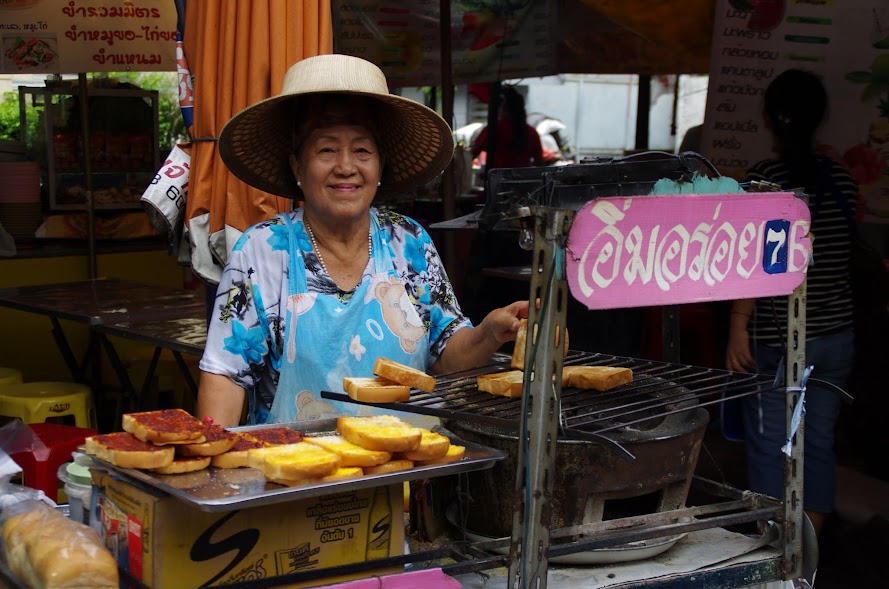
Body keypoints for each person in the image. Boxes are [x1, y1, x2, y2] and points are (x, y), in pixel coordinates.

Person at [197, 54, 528, 426]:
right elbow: (225, 374)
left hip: (407, 470)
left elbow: (445, 353)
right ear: (296, 165)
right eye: (326, 149)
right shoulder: (261, 252)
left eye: (361, 150)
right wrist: (214, 468)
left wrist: (489, 332)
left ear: (380, 165)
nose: (346, 166)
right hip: (298, 474)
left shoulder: (409, 241)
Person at [724, 69, 857, 537]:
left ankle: (774, 557)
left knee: (768, 444)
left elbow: (756, 262)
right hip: (836, 338)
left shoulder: (765, 180)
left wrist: (738, 324)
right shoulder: (842, 180)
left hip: (781, 340)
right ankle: (807, 560)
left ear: (772, 118)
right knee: (815, 443)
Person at [470, 86, 544, 169]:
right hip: (521, 180)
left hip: (497, 179)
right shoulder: (531, 132)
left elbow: (474, 152)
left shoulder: (495, 128)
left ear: (504, 107)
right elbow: (539, 162)